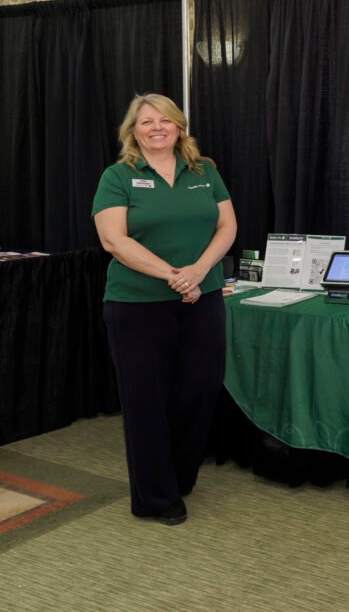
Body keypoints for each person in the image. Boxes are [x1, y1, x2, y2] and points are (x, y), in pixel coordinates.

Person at [92, 93, 237, 526]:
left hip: (203, 298)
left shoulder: (204, 171)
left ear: (179, 127)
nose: (157, 128)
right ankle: (155, 498)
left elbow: (227, 225)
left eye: (165, 120)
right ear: (133, 132)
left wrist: (199, 271)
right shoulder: (118, 176)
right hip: (137, 304)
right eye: (146, 122)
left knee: (200, 390)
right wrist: (175, 276)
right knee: (146, 401)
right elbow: (113, 240)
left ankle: (178, 476)